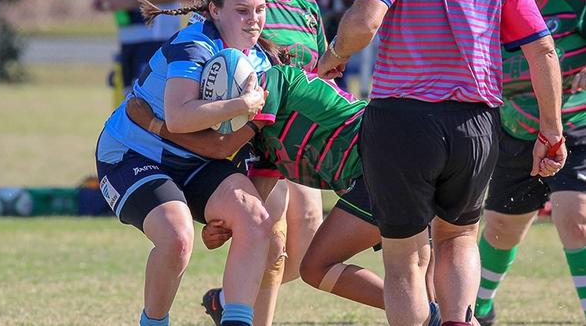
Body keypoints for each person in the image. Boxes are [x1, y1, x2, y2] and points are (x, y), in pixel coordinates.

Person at [316, 0, 567, 324]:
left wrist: (335, 55)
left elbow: (365, 22)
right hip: (476, 124)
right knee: (460, 238)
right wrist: (551, 131)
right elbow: (542, 50)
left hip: (403, 120)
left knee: (406, 261)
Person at [126, 64, 442, 325]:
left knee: (319, 266)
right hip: (387, 170)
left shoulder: (272, 84)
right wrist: (223, 226)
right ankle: (431, 315)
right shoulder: (262, 144)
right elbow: (254, 206)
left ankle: (425, 316)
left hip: (385, 165)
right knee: (417, 277)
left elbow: (221, 147)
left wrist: (155, 125)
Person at [95, 0, 283, 326]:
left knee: (258, 223)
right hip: (132, 153)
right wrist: (241, 105)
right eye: (242, 11)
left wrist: (232, 222)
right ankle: (154, 321)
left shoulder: (264, 66)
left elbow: (249, 153)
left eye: (259, 10)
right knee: (177, 237)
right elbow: (180, 117)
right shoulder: (194, 43)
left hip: (194, 160)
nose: (254, 20)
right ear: (214, 10)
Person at [195, 0, 329, 324]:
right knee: (271, 241)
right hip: (254, 139)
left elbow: (320, 73)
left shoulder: (306, 4)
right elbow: (206, 63)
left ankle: (228, 298)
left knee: (303, 254)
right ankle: (246, 312)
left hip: (299, 138)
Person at [474, 0, 586, 323]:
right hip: (515, 131)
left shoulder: (576, 0)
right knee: (501, 230)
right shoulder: (496, 3)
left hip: (572, 129)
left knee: (577, 219)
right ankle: (481, 309)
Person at [93, 0, 193, 102]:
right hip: (126, 43)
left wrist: (131, 1)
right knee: (128, 106)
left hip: (156, 43)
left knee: (150, 107)